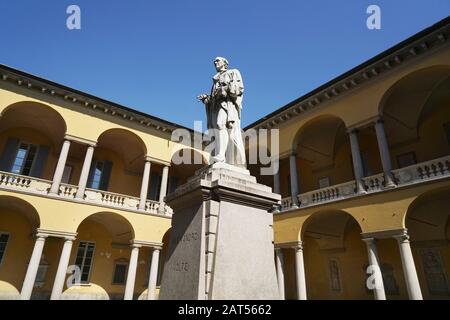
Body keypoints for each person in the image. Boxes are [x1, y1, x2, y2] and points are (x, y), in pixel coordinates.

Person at [197, 57, 246, 167]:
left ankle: (221, 155)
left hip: (226, 105)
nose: (215, 62)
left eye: (218, 60)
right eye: (214, 61)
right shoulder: (215, 78)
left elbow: (239, 88)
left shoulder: (233, 72)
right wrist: (207, 99)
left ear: (225, 63)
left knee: (220, 124)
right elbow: (214, 96)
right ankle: (220, 155)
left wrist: (224, 89)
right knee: (216, 130)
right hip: (215, 106)